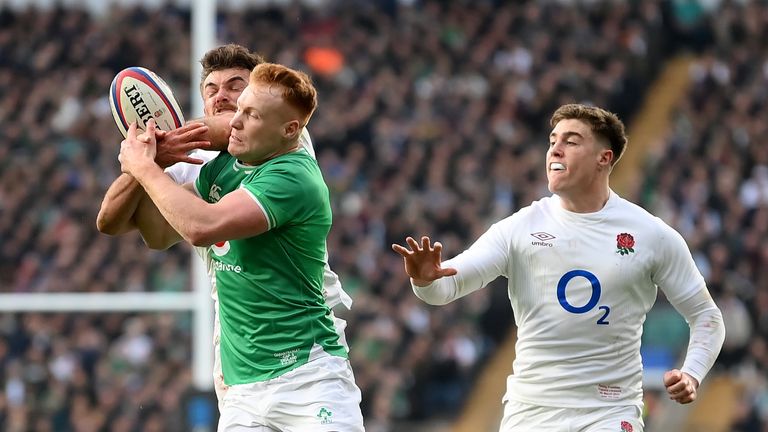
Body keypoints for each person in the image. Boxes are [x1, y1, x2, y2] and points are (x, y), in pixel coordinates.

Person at [392, 103, 725, 431]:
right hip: (532, 412)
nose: (555, 151)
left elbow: (707, 317)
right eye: (553, 141)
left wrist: (692, 372)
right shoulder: (519, 228)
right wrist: (425, 280)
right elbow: (446, 286)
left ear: (603, 158)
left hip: (608, 412)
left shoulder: (651, 235)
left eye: (571, 141)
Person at [96, 44, 353, 405]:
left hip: (303, 337)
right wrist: (144, 165)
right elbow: (136, 230)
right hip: (240, 347)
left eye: (236, 86)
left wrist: (152, 145)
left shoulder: (285, 141)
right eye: (211, 89)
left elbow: (216, 136)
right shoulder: (193, 162)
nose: (222, 97)